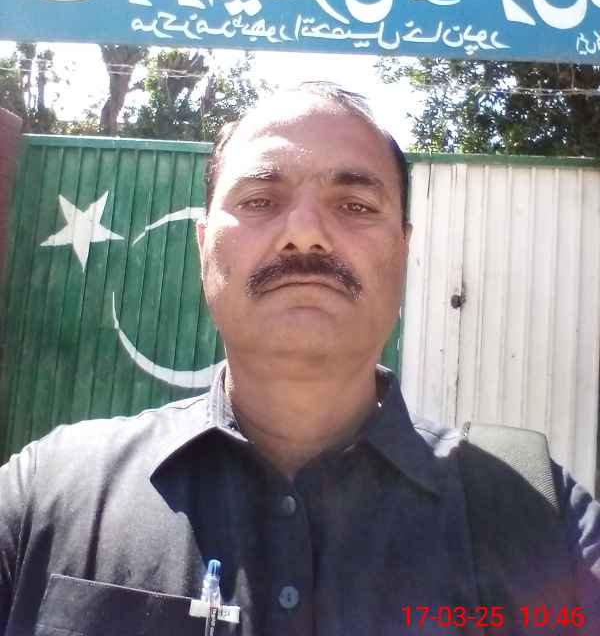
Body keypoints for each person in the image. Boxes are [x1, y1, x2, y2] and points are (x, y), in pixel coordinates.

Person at [0, 82, 598, 635]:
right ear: (204, 249)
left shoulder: (546, 522)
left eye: (355, 205)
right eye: (261, 199)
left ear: (404, 248)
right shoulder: (47, 497)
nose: (305, 233)